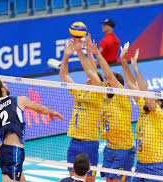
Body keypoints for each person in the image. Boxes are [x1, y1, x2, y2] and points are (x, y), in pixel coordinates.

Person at [0, 75, 64, 182]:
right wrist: (52, 112)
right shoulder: (19, 100)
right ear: (2, 89)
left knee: (22, 180)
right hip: (14, 151)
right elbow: (39, 108)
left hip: (5, 151)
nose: (6, 85)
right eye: (4, 84)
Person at [86, 35, 135, 182]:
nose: (107, 85)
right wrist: (89, 53)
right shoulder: (105, 98)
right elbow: (95, 75)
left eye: (110, 84)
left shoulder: (123, 96)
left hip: (123, 149)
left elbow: (108, 75)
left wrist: (98, 54)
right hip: (109, 149)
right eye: (106, 84)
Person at [59, 37, 105, 182]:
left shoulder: (99, 93)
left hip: (89, 142)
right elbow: (63, 75)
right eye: (88, 78)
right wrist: (66, 55)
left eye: (91, 79)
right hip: (74, 142)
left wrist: (80, 51)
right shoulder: (79, 91)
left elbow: (93, 73)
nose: (88, 79)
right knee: (74, 180)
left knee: (89, 180)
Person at [120, 44, 163, 182]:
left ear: (159, 104)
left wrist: (136, 69)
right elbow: (131, 85)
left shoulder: (159, 115)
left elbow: (145, 93)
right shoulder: (143, 108)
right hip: (140, 165)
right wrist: (124, 62)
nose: (148, 99)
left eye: (152, 98)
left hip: (155, 167)